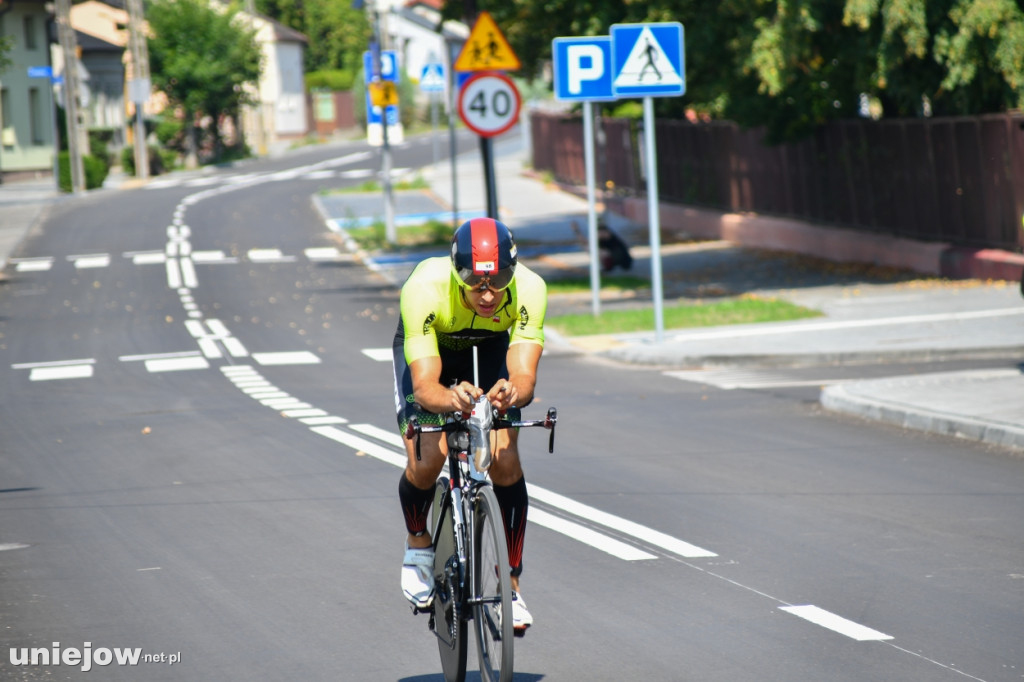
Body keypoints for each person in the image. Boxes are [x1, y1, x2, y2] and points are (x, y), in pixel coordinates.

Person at [391, 217, 547, 633]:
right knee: (427, 459)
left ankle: (509, 589)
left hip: (492, 349)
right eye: (475, 282)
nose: (487, 293)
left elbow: (525, 377)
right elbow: (425, 387)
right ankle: (419, 544)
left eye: (498, 280)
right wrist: (451, 398)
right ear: (455, 270)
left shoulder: (530, 289)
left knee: (505, 460)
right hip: (435, 349)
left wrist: (511, 393)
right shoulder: (424, 288)